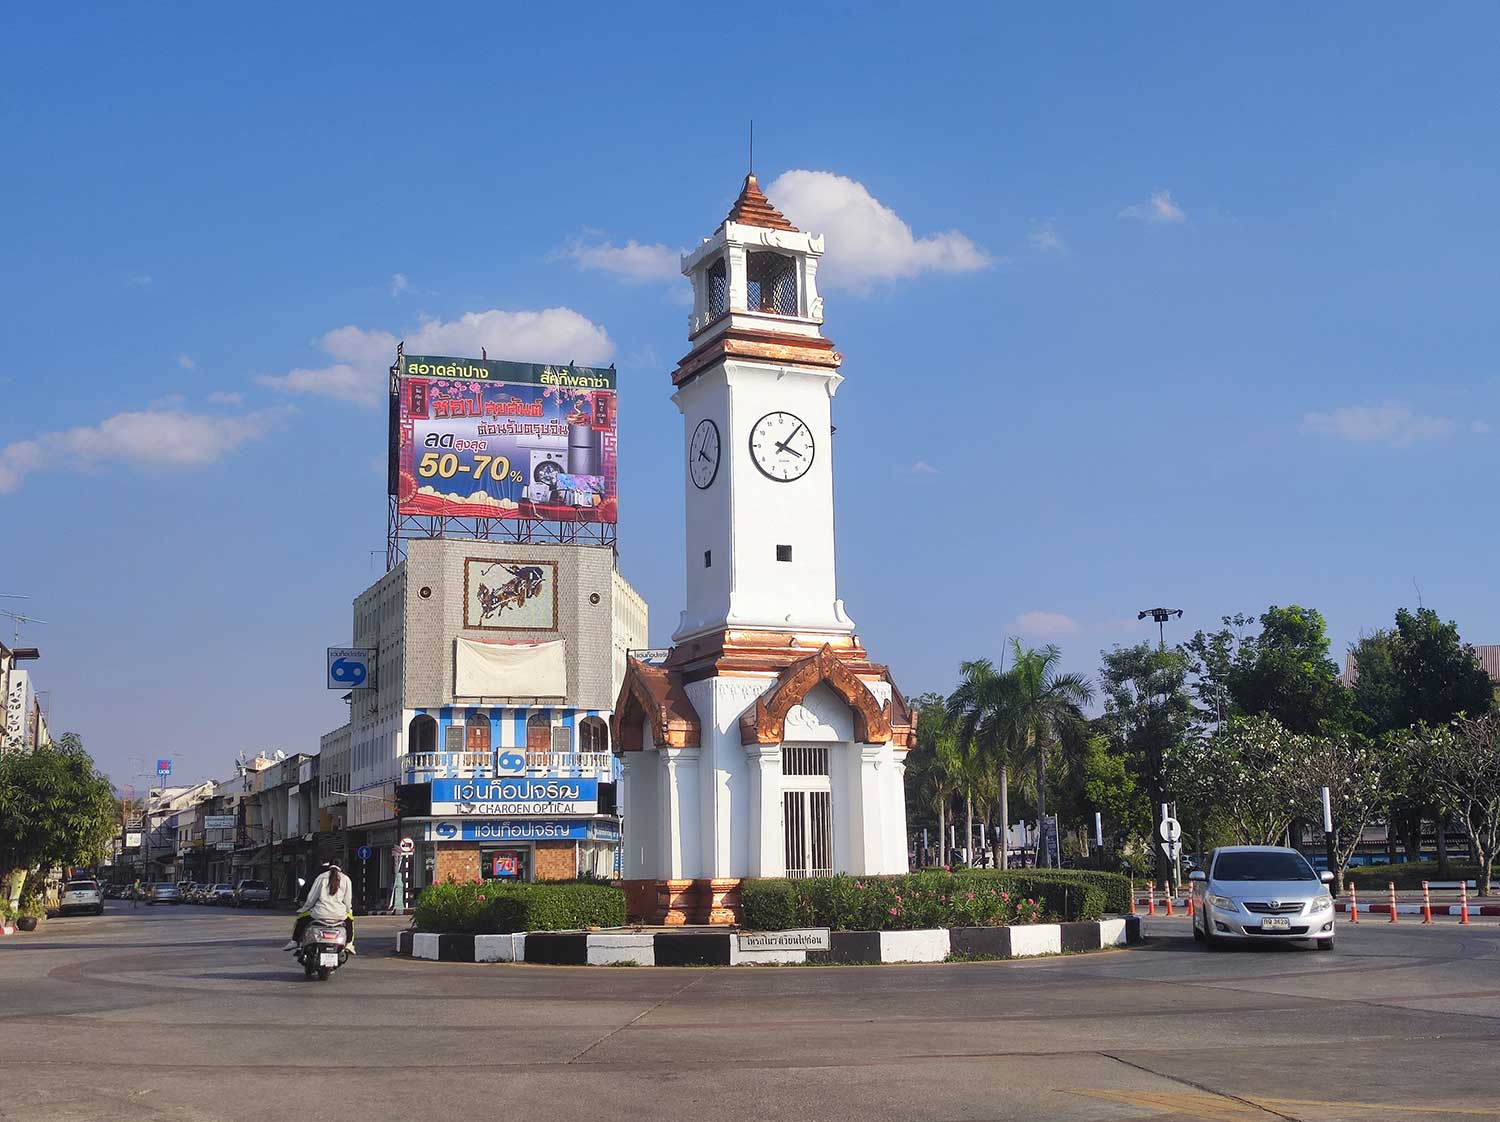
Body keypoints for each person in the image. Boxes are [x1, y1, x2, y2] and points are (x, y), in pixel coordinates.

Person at [283, 863, 354, 953]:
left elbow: (311, 898)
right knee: (350, 922)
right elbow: (348, 901)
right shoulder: (346, 879)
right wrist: (349, 911)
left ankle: (294, 941)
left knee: (301, 919)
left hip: (320, 914)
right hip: (339, 915)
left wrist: (304, 908)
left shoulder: (321, 877)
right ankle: (349, 944)